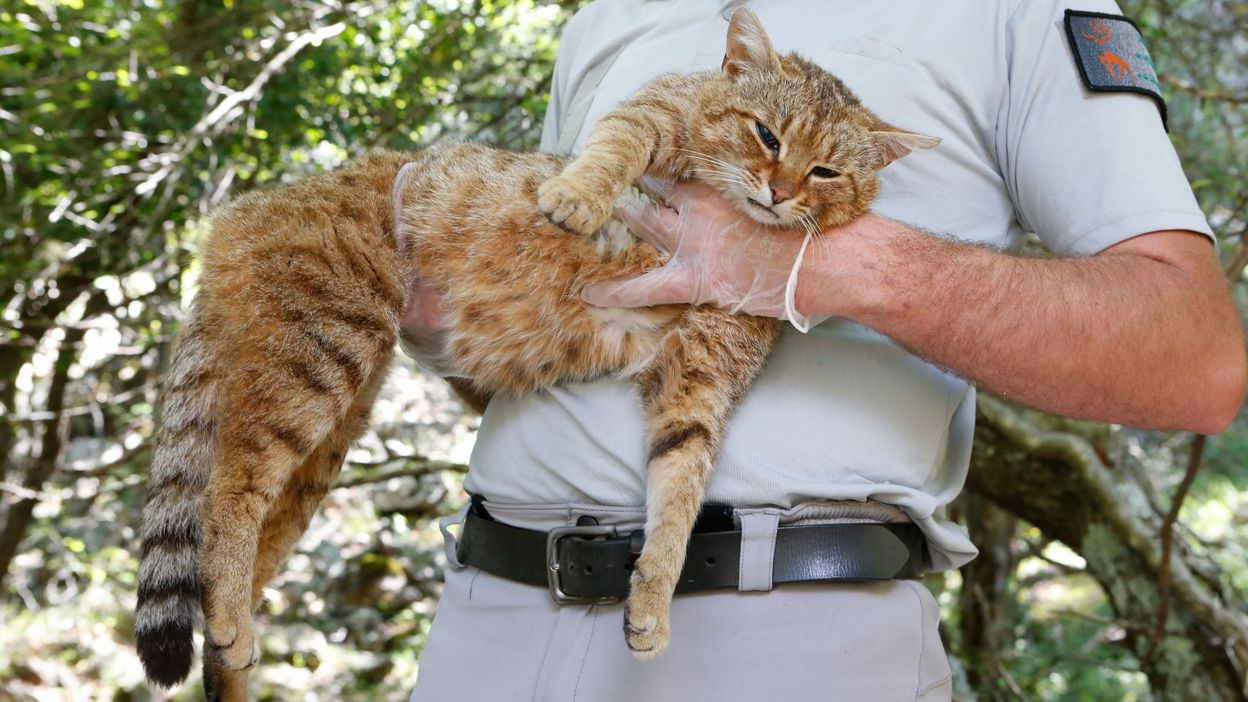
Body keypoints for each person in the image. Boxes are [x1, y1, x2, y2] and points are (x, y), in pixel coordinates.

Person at [405, 1, 1246, 700]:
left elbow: (1196, 361)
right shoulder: (609, 14)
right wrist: (436, 315)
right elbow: (552, 349)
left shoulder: (1013, 13)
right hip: (488, 610)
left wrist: (821, 265)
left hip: (787, 634)